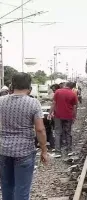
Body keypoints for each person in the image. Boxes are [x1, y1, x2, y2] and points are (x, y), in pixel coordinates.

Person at [0, 72, 48, 200]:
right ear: (29, 86)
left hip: (4, 150)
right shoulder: (34, 103)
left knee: (6, 186)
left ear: (12, 85)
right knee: (22, 189)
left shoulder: (1, 101)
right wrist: (44, 150)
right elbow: (40, 129)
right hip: (24, 151)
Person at [49, 81, 78, 156]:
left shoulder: (58, 92)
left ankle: (58, 152)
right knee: (68, 132)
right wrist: (74, 116)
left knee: (58, 132)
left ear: (65, 85)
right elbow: (75, 107)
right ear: (72, 87)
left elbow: (54, 103)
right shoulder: (73, 94)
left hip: (58, 115)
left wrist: (50, 113)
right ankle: (69, 150)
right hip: (69, 116)